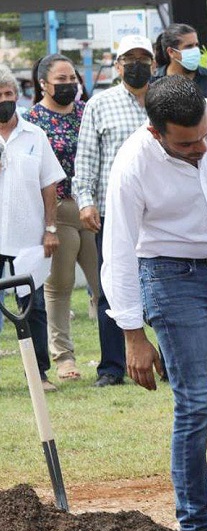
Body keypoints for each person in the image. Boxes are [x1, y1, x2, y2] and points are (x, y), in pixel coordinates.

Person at [102, 76, 207, 531]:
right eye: (186, 143)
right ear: (157, 133)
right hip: (169, 276)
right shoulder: (132, 164)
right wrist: (132, 334)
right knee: (197, 404)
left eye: (204, 135)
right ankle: (196, 526)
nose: (200, 147)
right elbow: (117, 250)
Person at [73, 34, 155, 388]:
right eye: (129, 59)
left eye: (143, 58)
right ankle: (111, 367)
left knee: (162, 285)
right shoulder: (100, 104)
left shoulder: (164, 100)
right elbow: (87, 159)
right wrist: (86, 201)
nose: (136, 64)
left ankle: (166, 360)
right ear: (118, 65)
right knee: (112, 287)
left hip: (161, 211)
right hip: (114, 212)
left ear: (153, 64)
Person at [23, 54, 99, 383]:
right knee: (60, 285)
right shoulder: (32, 121)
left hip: (95, 207)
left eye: (73, 78)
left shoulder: (89, 112)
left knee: (105, 283)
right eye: (61, 79)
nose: (70, 84)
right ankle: (64, 356)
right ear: (43, 83)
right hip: (60, 209)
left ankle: (117, 355)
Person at [0, 64, 65, 392]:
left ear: (17, 95)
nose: (4, 100)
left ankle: (39, 373)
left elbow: (49, 185)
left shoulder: (34, 135)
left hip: (28, 238)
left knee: (33, 307)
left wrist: (50, 228)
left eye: (8, 94)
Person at [154, 24, 207, 103]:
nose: (195, 50)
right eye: (189, 46)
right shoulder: (154, 81)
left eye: (196, 45)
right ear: (171, 52)